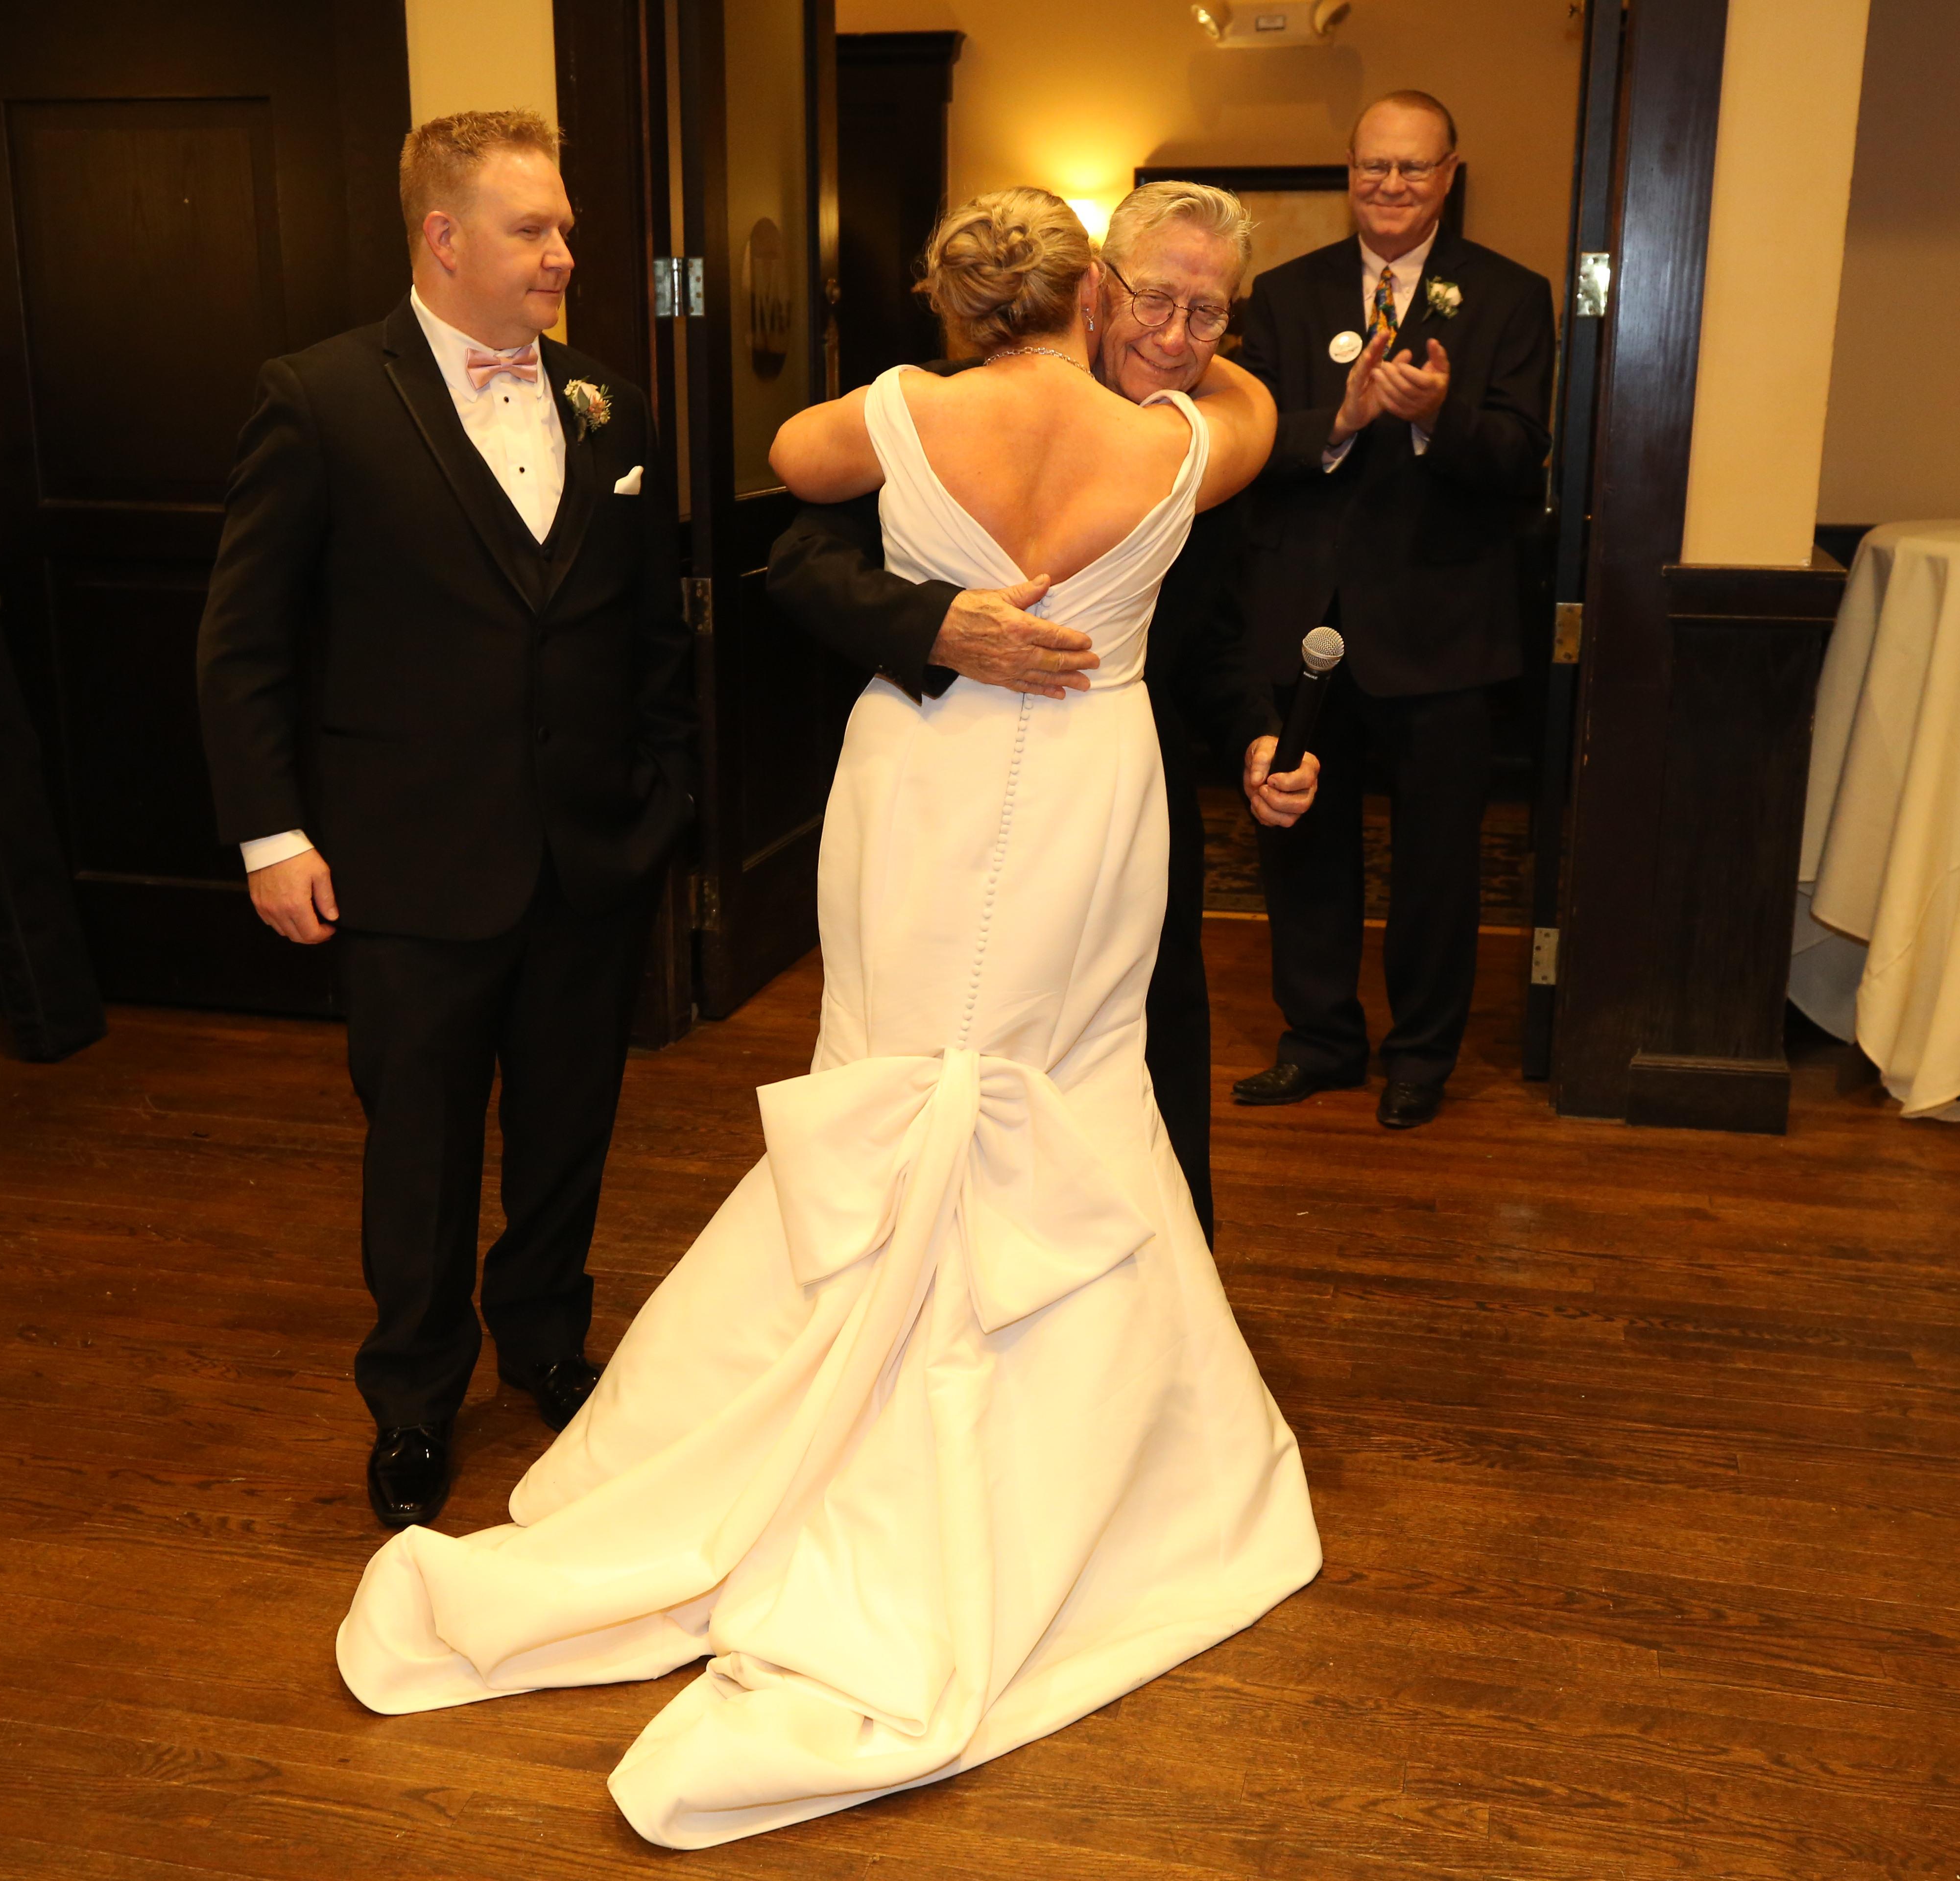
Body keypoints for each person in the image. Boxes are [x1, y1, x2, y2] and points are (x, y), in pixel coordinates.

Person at [335, 188, 1322, 1849]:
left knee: (888, 1064)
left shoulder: (894, 416)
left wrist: (930, 400)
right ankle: (1067, 1440)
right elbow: (1251, 412)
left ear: (953, 298)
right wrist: (1167, 382)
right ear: (1087, 290)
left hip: (925, 794)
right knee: (1070, 1079)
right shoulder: (1177, 447)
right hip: (1090, 788)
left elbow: (791, 469)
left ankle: (810, 1400)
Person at [194, 111, 693, 1531]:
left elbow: (651, 633)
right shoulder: (320, 398)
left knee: (567, 1124)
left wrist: (662, 800)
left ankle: (543, 1334)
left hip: (589, 849)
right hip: (405, 856)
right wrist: (271, 836)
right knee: (417, 1141)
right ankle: (414, 1399)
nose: (563, 253)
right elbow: (244, 644)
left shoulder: (613, 406)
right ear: (444, 236)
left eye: (564, 227)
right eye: (533, 229)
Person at [765, 180, 1318, 1242]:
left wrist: (1257, 732)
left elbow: (1216, 636)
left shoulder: (1180, 430)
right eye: (1155, 299)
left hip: (1115, 794)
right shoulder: (951, 398)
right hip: (938, 770)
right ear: (1094, 288)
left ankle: (1156, 1287)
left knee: (1140, 1049)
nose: (1177, 335)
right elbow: (799, 560)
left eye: (1210, 314)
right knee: (913, 1038)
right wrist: (935, 625)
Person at [1233, 89, 1554, 1130]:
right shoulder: (1283, 296)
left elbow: (1520, 461)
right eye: (1374, 166)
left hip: (1444, 634)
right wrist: (1344, 417)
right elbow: (1246, 451)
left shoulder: (1509, 297)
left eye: (1413, 169)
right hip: (1309, 625)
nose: (1390, 186)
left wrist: (1433, 421)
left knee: (1437, 865)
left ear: (1449, 176)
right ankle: (1319, 1039)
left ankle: (1421, 1057)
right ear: (1350, 167)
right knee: (1303, 848)